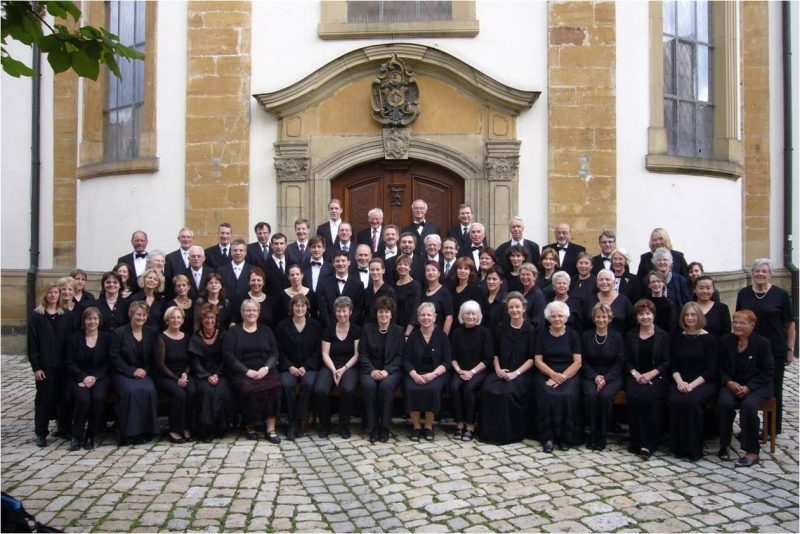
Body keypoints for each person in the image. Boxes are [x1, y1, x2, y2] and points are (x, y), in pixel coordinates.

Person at [735, 258, 796, 434]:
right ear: (752, 273)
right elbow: (739, 320)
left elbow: (790, 324)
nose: (760, 274)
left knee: (774, 387)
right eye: (757, 271)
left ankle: (772, 428)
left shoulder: (781, 294)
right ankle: (749, 426)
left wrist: (790, 349)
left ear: (770, 274)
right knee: (749, 386)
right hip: (749, 347)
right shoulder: (744, 293)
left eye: (764, 271)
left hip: (775, 348)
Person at [718, 310, 775, 468]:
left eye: (742, 323)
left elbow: (768, 371)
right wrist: (729, 382)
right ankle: (724, 444)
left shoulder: (762, 343)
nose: (737, 326)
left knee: (748, 406)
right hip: (732, 383)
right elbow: (720, 368)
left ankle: (752, 452)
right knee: (724, 403)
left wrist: (749, 387)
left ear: (752, 325)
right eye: (735, 322)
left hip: (758, 385)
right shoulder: (725, 341)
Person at [479, 292, 536, 445]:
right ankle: (490, 433)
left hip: (521, 373)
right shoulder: (500, 327)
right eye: (511, 307)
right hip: (501, 370)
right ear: (507, 309)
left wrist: (515, 374)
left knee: (508, 392)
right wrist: (497, 369)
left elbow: (532, 358)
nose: (514, 310)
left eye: (517, 307)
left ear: (523, 308)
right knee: (488, 389)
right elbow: (495, 353)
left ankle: (510, 433)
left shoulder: (530, 330)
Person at [223, 299, 282, 443]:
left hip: (265, 370)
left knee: (275, 387)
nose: (251, 313)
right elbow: (228, 355)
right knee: (248, 389)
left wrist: (266, 368)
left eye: (254, 310)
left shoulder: (266, 330)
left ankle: (270, 428)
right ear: (242, 313)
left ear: (259, 313)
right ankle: (250, 425)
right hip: (242, 372)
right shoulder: (233, 332)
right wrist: (246, 371)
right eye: (248, 310)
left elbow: (274, 353)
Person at [668, 302, 718, 461]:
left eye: (693, 315)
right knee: (676, 399)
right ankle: (678, 447)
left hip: (703, 382)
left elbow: (711, 370)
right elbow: (673, 365)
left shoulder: (709, 339)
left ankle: (694, 448)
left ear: (699, 317)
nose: (690, 318)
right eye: (687, 315)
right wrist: (680, 382)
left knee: (692, 401)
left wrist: (692, 385)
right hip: (681, 380)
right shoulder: (677, 339)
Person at [27, 283, 74, 447]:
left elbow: (70, 340)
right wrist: (36, 367)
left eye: (56, 292)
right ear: (45, 295)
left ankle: (64, 427)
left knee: (64, 398)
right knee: (44, 399)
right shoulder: (36, 316)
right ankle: (41, 432)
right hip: (46, 365)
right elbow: (32, 343)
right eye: (50, 292)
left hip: (63, 365)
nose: (53, 295)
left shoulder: (66, 315)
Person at [109, 301, 160, 445]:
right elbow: (115, 357)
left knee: (149, 390)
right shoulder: (119, 333)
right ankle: (128, 433)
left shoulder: (151, 332)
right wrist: (131, 371)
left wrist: (145, 370)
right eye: (138, 314)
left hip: (144, 372)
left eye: (144, 315)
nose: (141, 318)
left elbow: (154, 357)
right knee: (130, 392)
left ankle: (145, 431)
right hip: (123, 372)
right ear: (131, 314)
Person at [534, 301, 582, 453]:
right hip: (546, 372)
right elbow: (537, 360)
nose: (557, 319)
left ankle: (565, 438)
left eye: (560, 316)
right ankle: (548, 438)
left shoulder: (573, 334)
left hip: (569, 373)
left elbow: (578, 362)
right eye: (553, 316)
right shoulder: (541, 334)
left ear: (566, 317)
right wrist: (552, 375)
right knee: (547, 394)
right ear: (548, 317)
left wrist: (563, 376)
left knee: (567, 395)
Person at [625, 299, 671, 458]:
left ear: (653, 315)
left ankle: (648, 444)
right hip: (635, 376)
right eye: (641, 314)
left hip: (656, 377)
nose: (645, 317)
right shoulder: (630, 335)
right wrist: (635, 374)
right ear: (636, 317)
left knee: (650, 399)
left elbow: (666, 361)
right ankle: (635, 441)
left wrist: (651, 374)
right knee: (634, 398)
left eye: (648, 314)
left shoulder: (663, 336)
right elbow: (626, 360)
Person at [359, 296, 405, 443]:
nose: (384, 315)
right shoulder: (367, 329)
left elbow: (400, 356)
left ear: (391, 314)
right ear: (376, 313)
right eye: (381, 311)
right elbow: (363, 354)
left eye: (387, 312)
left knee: (386, 386)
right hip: (369, 370)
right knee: (368, 385)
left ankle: (384, 426)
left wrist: (387, 370)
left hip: (391, 371)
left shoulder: (398, 331)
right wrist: (372, 370)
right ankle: (373, 427)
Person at [277, 294, 323, 441]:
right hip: (288, 366)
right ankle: (292, 421)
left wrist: (306, 366)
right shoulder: (283, 325)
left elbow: (318, 351)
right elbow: (279, 350)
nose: (300, 308)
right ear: (292, 307)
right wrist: (289, 366)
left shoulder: (315, 325)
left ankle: (299, 419)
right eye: (297, 305)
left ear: (307, 307)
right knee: (286, 384)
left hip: (308, 367)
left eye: (303, 305)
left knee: (309, 383)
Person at [314, 296, 361, 439]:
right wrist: (334, 370)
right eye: (339, 311)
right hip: (330, 365)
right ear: (335, 312)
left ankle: (344, 426)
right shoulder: (328, 330)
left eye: (344, 310)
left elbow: (357, 355)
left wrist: (344, 369)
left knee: (347, 389)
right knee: (320, 390)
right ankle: (325, 425)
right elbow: (324, 353)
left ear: (350, 311)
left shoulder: (356, 330)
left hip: (350, 366)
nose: (342, 314)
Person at [403, 302, 451, 441]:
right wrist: (414, 375)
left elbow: (447, 362)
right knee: (411, 388)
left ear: (435, 317)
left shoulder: (442, 336)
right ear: (418, 318)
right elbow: (406, 360)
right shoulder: (413, 336)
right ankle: (416, 426)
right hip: (415, 373)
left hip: (436, 373)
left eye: (429, 315)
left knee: (433, 389)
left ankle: (428, 426)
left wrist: (433, 374)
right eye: (423, 315)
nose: (426, 318)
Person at [65, 306, 110, 451]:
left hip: (100, 377)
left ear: (99, 320)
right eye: (89, 318)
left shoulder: (106, 338)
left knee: (97, 398)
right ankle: (76, 436)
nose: (92, 321)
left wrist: (95, 377)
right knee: (83, 399)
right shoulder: (74, 338)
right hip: (78, 377)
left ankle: (90, 435)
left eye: (95, 318)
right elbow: (69, 362)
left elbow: (109, 362)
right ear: (84, 320)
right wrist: (83, 377)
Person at [581, 303, 624, 450]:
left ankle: (602, 434)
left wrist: (606, 378)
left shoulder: (617, 337)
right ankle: (592, 432)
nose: (601, 319)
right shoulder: (586, 336)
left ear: (610, 318)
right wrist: (595, 377)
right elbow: (583, 360)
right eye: (598, 316)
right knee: (591, 395)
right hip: (590, 375)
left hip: (611, 376)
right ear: (593, 318)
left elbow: (619, 362)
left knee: (605, 396)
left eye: (604, 316)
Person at [189, 303, 234, 441]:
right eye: (206, 318)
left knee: (221, 390)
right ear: (201, 320)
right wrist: (207, 376)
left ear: (216, 319)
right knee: (206, 392)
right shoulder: (195, 337)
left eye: (212, 318)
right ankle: (206, 430)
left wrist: (217, 374)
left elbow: (226, 358)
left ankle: (220, 428)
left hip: (220, 372)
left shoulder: (223, 334)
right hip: (201, 374)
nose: (209, 321)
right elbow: (194, 361)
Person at [154, 306, 197, 443]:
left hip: (182, 374)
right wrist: (176, 379)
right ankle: (174, 429)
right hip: (165, 375)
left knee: (192, 391)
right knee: (179, 394)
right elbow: (160, 365)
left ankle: (187, 426)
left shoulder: (186, 337)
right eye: (172, 318)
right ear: (167, 320)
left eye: (178, 317)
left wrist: (185, 374)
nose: (175, 320)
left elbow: (190, 361)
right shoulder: (161, 338)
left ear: (183, 320)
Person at [450, 301, 491, 441]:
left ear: (478, 315)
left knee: (469, 388)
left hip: (478, 371)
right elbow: (452, 356)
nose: (470, 316)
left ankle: (470, 425)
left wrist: (471, 372)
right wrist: (459, 370)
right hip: (460, 370)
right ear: (462, 315)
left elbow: (487, 359)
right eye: (467, 313)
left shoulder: (484, 332)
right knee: (454, 387)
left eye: (473, 313)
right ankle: (459, 423)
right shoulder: (456, 333)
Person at [318, 250, 365, 328]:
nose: (340, 263)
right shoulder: (324, 284)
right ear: (333, 263)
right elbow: (323, 310)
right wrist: (333, 327)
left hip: (351, 330)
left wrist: (347, 326)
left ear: (349, 262)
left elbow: (358, 310)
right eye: (337, 261)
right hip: (330, 329)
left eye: (343, 261)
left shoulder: (358, 285)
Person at [583, 269, 634, 335]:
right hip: (593, 342)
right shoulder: (589, 300)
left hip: (619, 342)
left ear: (613, 282)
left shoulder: (624, 301)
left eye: (607, 279)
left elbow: (631, 324)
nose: (604, 282)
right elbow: (584, 324)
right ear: (597, 283)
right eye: (601, 279)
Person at [446, 257, 482, 327]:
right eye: (460, 268)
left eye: (466, 269)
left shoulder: (475, 289)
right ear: (456, 270)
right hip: (452, 327)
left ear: (470, 272)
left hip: (468, 327)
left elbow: (477, 312)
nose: (462, 271)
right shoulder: (451, 288)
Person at [421, 261, 454, 335]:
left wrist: (443, 337)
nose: (430, 272)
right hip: (423, 333)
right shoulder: (422, 292)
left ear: (439, 273)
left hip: (438, 334)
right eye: (428, 270)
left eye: (433, 270)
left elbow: (449, 317)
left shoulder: (445, 292)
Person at [217, 239, 252, 307]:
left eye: (241, 250)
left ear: (246, 252)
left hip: (247, 309)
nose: (238, 253)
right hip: (226, 308)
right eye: (235, 250)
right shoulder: (221, 270)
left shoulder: (252, 270)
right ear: (231, 252)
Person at [393, 255, 422, 336]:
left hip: (409, 329)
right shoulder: (393, 286)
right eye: (400, 264)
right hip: (395, 327)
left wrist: (407, 333)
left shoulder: (415, 286)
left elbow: (415, 310)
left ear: (410, 268)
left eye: (405, 264)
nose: (402, 266)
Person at [645, 270, 678, 335]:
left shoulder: (670, 304)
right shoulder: (645, 303)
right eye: (653, 282)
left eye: (658, 281)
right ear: (649, 285)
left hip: (665, 338)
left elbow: (672, 326)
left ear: (663, 283)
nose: (656, 284)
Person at [165, 227, 195, 298]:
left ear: (193, 239)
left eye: (188, 237)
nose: (186, 239)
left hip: (195, 299)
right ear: (179, 239)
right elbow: (168, 281)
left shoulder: (199, 256)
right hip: (176, 297)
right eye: (183, 237)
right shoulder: (170, 258)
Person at [480, 267, 507, 332]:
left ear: (501, 281)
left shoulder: (505, 300)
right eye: (489, 279)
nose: (491, 282)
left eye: (494, 279)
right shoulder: (482, 297)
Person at [519, 262, 546, 328]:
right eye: (522, 274)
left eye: (528, 274)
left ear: (534, 277)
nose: (525, 277)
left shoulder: (538, 296)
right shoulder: (521, 292)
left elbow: (538, 321)